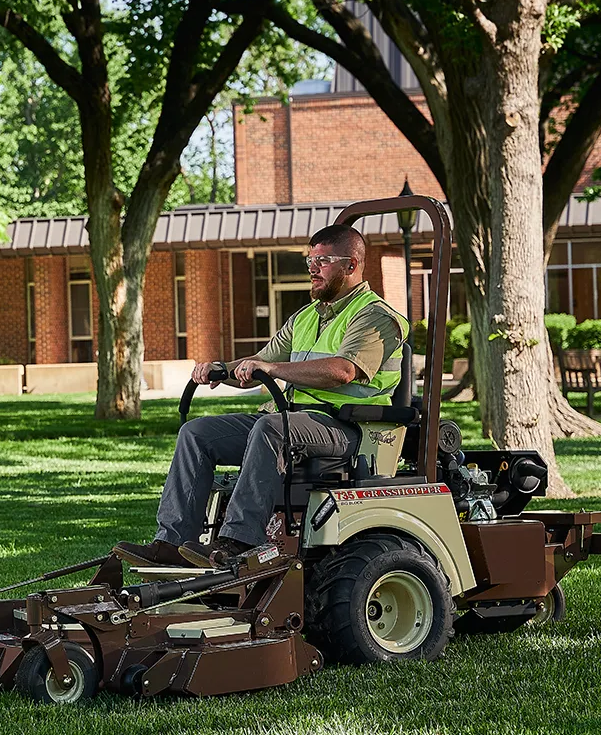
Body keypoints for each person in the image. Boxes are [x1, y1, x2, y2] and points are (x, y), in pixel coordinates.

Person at [117, 224, 408, 568]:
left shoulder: (375, 316)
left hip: (349, 430)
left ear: (351, 265)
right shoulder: (305, 318)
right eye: (310, 260)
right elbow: (262, 363)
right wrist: (221, 369)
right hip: (291, 420)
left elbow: (343, 370)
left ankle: (238, 541)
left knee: (270, 428)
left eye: (323, 260)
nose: (313, 268)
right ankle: (171, 543)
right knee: (196, 434)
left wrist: (271, 371)